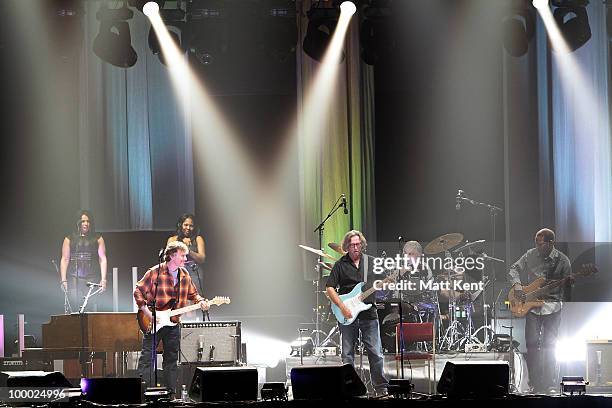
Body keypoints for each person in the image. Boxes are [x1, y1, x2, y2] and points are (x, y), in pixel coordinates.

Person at [134, 241, 210, 390]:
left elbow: (194, 294)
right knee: (147, 359)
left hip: (173, 324)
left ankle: (170, 393)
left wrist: (201, 302)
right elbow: (138, 290)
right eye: (182, 255)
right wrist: (148, 313)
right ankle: (144, 392)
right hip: (154, 321)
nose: (185, 259)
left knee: (171, 360)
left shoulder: (185, 274)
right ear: (172, 255)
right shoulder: (155, 272)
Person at [508, 228, 571, 394]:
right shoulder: (530, 254)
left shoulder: (563, 261)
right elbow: (513, 268)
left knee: (550, 346)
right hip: (532, 308)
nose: (536, 245)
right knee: (531, 345)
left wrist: (568, 283)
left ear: (551, 243)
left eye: (540, 243)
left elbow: (568, 288)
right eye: (535, 242)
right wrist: (518, 285)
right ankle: (535, 384)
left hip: (553, 307)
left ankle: (550, 384)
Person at [326, 230, 388, 395]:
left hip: (369, 312)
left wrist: (387, 282)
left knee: (376, 352)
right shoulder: (340, 264)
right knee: (347, 354)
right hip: (346, 314)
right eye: (352, 244)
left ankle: (381, 389)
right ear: (347, 246)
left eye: (358, 244)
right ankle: (350, 389)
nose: (355, 247)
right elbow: (329, 287)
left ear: (362, 245)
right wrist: (342, 306)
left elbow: (383, 281)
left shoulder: (372, 262)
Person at [60, 210, 107, 310]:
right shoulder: (69, 239)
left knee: (88, 307)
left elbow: (102, 258)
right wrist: (63, 280)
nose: (86, 223)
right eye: (83, 221)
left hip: (91, 278)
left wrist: (103, 279)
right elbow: (65, 259)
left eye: (88, 221)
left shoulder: (98, 238)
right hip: (74, 278)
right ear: (78, 223)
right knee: (74, 306)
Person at [167, 214, 206, 292]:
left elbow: (202, 258)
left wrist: (188, 250)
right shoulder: (172, 239)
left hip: (194, 273)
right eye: (186, 225)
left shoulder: (198, 239)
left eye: (191, 226)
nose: (188, 228)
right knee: (179, 300)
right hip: (177, 272)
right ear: (180, 225)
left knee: (194, 299)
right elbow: (167, 259)